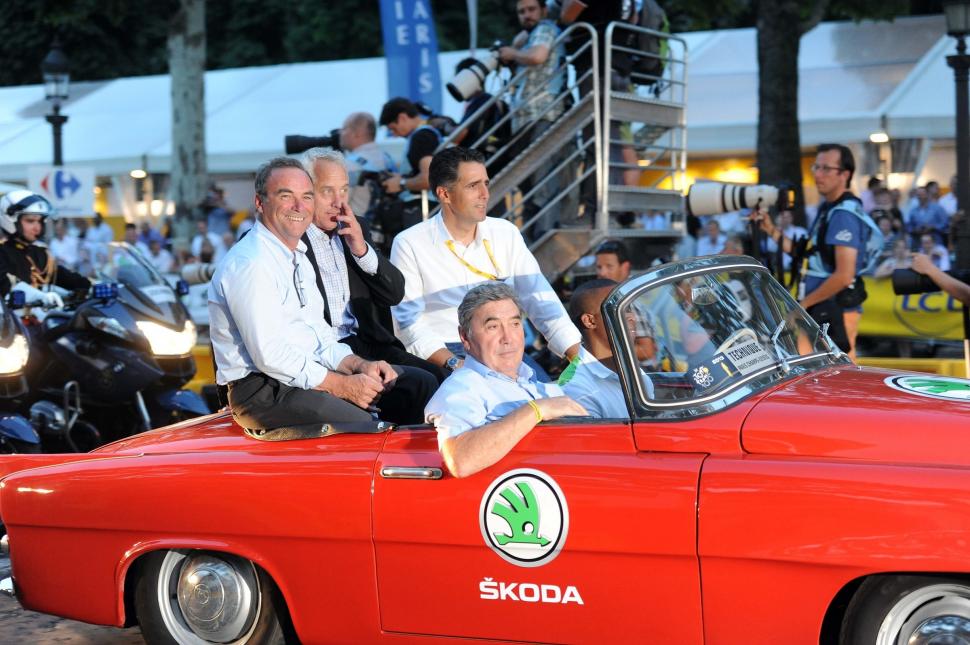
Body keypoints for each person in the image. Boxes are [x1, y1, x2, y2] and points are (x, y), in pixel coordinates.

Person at [208, 157, 435, 434]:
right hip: (261, 390)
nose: (299, 206)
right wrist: (341, 385)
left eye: (306, 196)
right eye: (285, 196)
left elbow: (317, 331)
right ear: (259, 202)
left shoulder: (296, 255)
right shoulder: (251, 263)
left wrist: (357, 364)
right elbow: (270, 356)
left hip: (302, 372)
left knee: (418, 386)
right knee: (365, 424)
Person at [391, 146, 582, 375]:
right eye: (473, 186)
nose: (485, 193)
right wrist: (455, 365)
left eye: (486, 183)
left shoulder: (505, 232)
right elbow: (408, 324)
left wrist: (578, 357)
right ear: (444, 194)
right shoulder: (410, 242)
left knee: (553, 402)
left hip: (505, 348)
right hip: (446, 353)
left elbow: (540, 299)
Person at [300, 147, 446, 383]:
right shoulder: (292, 238)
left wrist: (362, 250)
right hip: (323, 353)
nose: (339, 202)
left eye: (344, 190)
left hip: (369, 344)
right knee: (420, 384)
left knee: (441, 378)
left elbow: (394, 293)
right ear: (306, 192)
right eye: (327, 191)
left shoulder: (355, 227)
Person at [425, 282, 587, 477]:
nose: (508, 337)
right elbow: (460, 460)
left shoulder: (544, 388)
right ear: (465, 337)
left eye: (515, 324)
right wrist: (537, 410)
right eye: (493, 326)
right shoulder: (462, 388)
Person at [753, 143, 880, 359]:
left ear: (845, 174)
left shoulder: (843, 215)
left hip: (833, 311)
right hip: (821, 309)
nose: (818, 175)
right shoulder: (829, 208)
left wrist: (802, 306)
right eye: (816, 167)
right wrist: (771, 230)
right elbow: (809, 256)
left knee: (836, 378)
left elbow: (844, 275)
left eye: (826, 169)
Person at [498, 0, 566, 238]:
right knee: (528, 186)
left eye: (531, 9)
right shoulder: (529, 36)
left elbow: (538, 56)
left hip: (543, 114)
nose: (526, 15)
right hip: (527, 119)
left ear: (544, 10)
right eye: (521, 12)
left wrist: (512, 52)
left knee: (542, 183)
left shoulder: (545, 28)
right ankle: (532, 237)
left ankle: (543, 234)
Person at [560, 278, 653, 417]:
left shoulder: (634, 371)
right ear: (590, 321)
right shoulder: (576, 389)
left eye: (629, 308)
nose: (632, 317)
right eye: (619, 308)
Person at [0, 190, 90, 304]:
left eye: (40, 221)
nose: (37, 227)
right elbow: (7, 286)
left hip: (41, 317)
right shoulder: (3, 252)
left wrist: (91, 286)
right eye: (30, 221)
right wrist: (40, 296)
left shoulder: (39, 252)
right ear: (10, 219)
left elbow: (63, 276)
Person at [338, 111, 398, 219]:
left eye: (344, 129)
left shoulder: (349, 164)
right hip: (389, 229)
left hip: (359, 229)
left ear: (356, 133)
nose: (340, 134)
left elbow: (339, 204)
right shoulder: (388, 159)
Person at [378, 97, 439, 200]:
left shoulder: (420, 137)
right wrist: (402, 177)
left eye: (393, 129)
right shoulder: (427, 133)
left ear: (402, 118)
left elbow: (428, 179)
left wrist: (401, 183)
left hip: (424, 207)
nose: (394, 135)